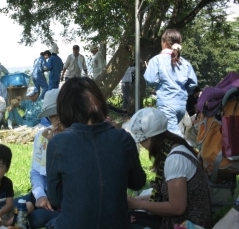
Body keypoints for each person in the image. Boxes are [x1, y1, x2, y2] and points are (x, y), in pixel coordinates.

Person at [45, 77, 146, 228]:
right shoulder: (123, 138)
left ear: (64, 109)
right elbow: (138, 182)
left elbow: (56, 199)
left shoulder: (58, 143)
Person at [128, 108, 212, 229]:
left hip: (189, 224)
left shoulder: (175, 159)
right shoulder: (173, 145)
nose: (141, 145)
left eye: (140, 141)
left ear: (150, 138)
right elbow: (165, 195)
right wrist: (135, 200)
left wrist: (138, 204)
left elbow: (177, 207)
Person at [13, 89, 62, 228]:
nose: (57, 119)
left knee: (37, 218)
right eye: (52, 115)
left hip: (61, 201)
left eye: (61, 113)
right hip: (43, 192)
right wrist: (40, 195)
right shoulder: (42, 136)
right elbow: (36, 171)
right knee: (12, 204)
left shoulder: (74, 138)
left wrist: (56, 145)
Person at [144, 29, 198, 137]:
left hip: (166, 104)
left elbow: (150, 80)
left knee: (174, 137)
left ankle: (186, 151)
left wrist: (158, 81)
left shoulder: (157, 60)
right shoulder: (185, 63)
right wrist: (183, 92)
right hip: (182, 105)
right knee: (171, 133)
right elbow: (193, 83)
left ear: (164, 42)